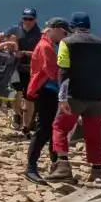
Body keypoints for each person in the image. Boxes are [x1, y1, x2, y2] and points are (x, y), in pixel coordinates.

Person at [49, 13, 101, 184]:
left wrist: (62, 97)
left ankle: (63, 165)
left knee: (59, 127)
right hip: (97, 97)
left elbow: (64, 71)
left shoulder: (66, 43)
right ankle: (97, 172)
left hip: (73, 96)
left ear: (72, 26)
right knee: (95, 134)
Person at [27, 18, 71, 184]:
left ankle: (56, 166)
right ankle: (31, 167)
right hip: (45, 91)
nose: (65, 37)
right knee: (44, 129)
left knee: (52, 127)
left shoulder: (48, 44)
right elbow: (52, 72)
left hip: (48, 91)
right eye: (64, 33)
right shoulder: (46, 47)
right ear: (55, 29)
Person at [6, 8, 42, 133]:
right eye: (25, 18)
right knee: (14, 94)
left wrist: (25, 53)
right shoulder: (14, 29)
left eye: (30, 19)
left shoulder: (39, 35)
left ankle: (26, 125)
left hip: (31, 70)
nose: (27, 21)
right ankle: (16, 115)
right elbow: (1, 37)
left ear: (35, 19)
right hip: (15, 68)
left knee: (29, 97)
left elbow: (41, 54)